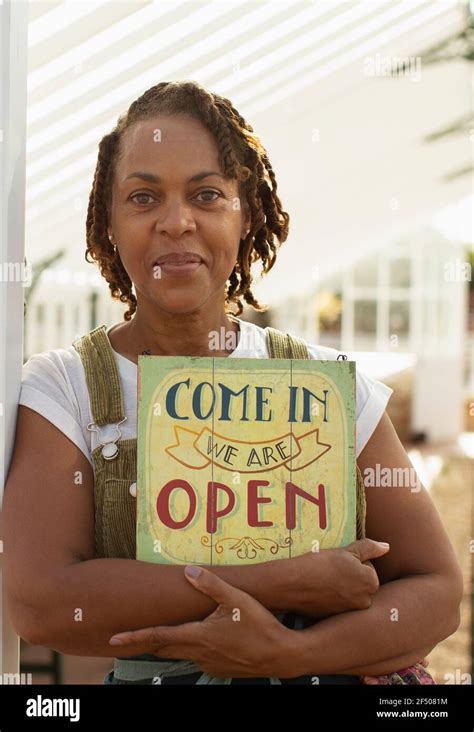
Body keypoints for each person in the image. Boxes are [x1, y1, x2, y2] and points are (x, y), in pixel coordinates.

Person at [3, 81, 463, 685]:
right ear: (108, 221)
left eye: (207, 195)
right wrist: (280, 582)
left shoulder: (325, 385)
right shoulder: (66, 389)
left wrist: (289, 654)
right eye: (143, 197)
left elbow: (439, 590)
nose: (176, 222)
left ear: (246, 215)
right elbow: (44, 605)